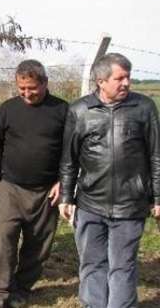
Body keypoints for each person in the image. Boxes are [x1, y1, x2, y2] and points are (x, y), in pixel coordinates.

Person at [59, 52, 160, 308]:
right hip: (90, 203)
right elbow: (69, 159)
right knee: (92, 264)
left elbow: (156, 155)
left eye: (128, 77)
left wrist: (158, 197)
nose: (127, 83)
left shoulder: (144, 108)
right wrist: (66, 197)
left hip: (130, 204)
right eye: (120, 78)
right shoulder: (80, 110)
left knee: (122, 266)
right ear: (101, 81)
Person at [0, 60, 68, 308]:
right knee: (5, 236)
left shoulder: (62, 110)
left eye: (31, 87)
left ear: (44, 83)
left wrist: (63, 181)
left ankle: (22, 288)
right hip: (11, 186)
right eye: (21, 88)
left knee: (38, 242)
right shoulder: (8, 109)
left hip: (47, 190)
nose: (26, 93)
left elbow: (71, 150)